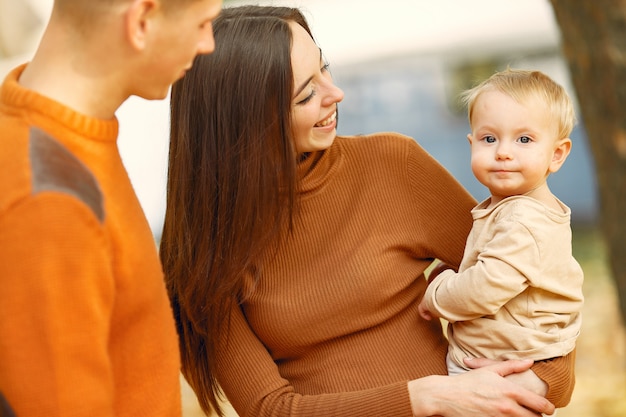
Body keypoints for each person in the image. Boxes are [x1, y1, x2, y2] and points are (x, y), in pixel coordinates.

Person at [161, 6, 576, 417]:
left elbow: (535, 288)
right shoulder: (207, 254)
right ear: (247, 119)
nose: (334, 93)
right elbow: (270, 410)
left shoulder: (394, 165)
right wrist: (424, 397)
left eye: (325, 68)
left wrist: (537, 383)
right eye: (307, 92)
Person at [0, 0, 222, 415]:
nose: (208, 43)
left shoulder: (67, 145)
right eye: (203, 23)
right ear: (141, 20)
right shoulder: (47, 200)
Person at [418, 69, 584, 385]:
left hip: (510, 367)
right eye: (489, 138)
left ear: (557, 154)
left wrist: (436, 295)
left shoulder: (524, 220)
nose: (503, 151)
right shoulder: (514, 209)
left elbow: (483, 289)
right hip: (503, 358)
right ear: (472, 144)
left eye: (524, 139)